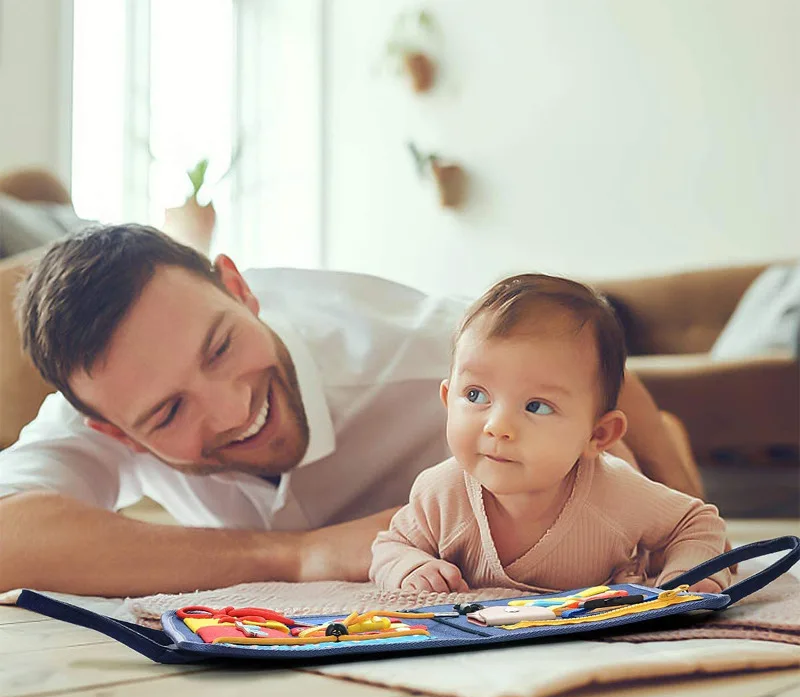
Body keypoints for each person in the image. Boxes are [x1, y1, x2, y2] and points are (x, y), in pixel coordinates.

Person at [0, 225, 704, 597]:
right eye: (167, 413)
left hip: (522, 472)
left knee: (611, 472)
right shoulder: (101, 399)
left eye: (220, 348)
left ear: (239, 289)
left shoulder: (416, 349)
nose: (233, 407)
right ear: (112, 431)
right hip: (434, 532)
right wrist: (294, 557)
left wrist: (675, 491)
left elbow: (587, 366)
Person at [370, 274, 729, 594]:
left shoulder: (618, 494)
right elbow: (389, 547)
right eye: (476, 395)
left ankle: (662, 436)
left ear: (598, 434)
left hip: (613, 470)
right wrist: (411, 566)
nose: (497, 426)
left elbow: (697, 523)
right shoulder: (441, 493)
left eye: (536, 406)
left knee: (651, 518)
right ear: (448, 400)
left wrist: (689, 574)